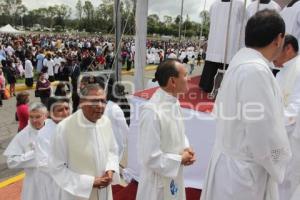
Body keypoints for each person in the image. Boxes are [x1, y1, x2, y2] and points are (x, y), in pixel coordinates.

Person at [201, 10, 292, 200]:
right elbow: (262, 133)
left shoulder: (241, 61)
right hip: (244, 175)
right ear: (278, 39)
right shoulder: (255, 70)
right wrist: (280, 162)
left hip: (232, 164)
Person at [136, 59, 196, 200]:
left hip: (173, 174)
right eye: (185, 75)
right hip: (157, 185)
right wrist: (180, 159)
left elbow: (178, 131)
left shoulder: (174, 102)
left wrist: (186, 147)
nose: (189, 78)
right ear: (172, 81)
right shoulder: (152, 111)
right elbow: (150, 156)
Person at [49, 83, 119, 200]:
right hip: (78, 194)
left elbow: (112, 150)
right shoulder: (64, 128)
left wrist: (110, 169)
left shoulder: (106, 122)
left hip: (104, 193)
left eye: (103, 101)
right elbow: (56, 168)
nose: (100, 106)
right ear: (82, 103)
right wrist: (89, 183)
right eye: (95, 101)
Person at [3, 103, 48, 200]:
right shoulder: (23, 135)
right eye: (31, 117)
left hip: (53, 181)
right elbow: (11, 162)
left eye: (38, 117)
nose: (34, 120)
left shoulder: (54, 129)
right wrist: (34, 154)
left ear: (45, 116)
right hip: (34, 184)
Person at [35, 97, 70, 200]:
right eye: (60, 110)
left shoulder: (71, 126)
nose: (65, 113)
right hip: (55, 186)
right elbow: (43, 163)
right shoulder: (44, 135)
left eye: (67, 109)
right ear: (49, 114)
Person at [274, 34, 300, 127]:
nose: (271, 56)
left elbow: (296, 109)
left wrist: (272, 123)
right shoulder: (281, 73)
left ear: (288, 49)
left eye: (275, 50)